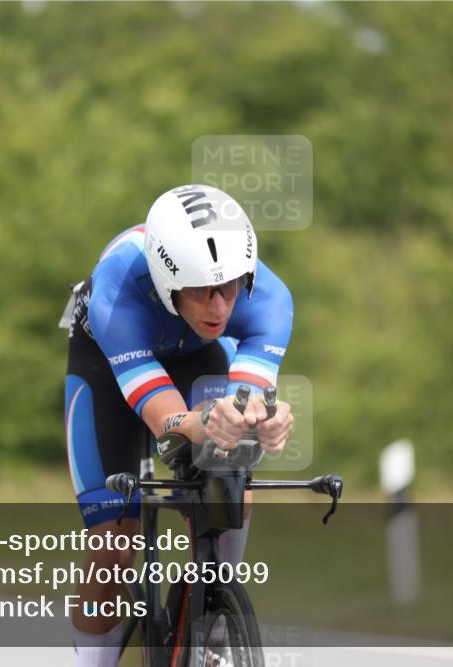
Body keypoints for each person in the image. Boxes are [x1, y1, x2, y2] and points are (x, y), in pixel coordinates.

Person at [63, 184, 294, 667]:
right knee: (114, 547)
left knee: (231, 482)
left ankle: (210, 624)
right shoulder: (119, 286)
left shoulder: (268, 300)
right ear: (166, 280)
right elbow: (164, 416)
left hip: (196, 357)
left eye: (230, 285)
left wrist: (264, 420)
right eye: (199, 289)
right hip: (108, 364)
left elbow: (245, 403)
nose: (218, 307)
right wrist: (201, 422)